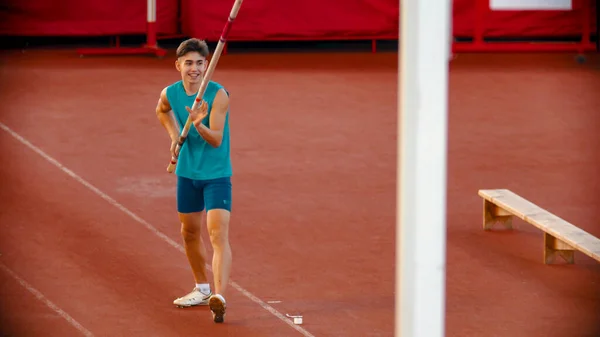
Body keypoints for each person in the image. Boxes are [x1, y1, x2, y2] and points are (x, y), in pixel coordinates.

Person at [155, 38, 233, 324]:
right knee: (188, 233)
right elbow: (161, 110)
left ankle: (219, 297)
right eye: (189, 63)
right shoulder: (171, 93)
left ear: (206, 65)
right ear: (178, 65)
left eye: (200, 63)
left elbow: (216, 140)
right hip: (187, 173)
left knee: (216, 235)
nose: (195, 69)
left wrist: (199, 122)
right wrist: (175, 135)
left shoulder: (218, 95)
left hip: (216, 176)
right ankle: (202, 289)